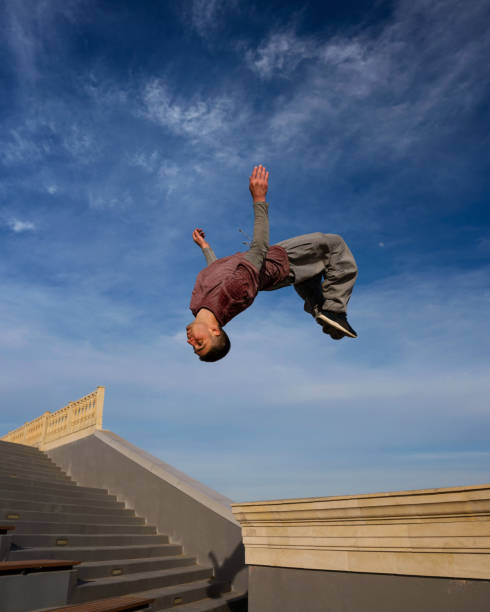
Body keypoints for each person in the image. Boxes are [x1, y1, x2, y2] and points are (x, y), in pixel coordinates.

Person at [187, 165, 358, 362]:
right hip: (283, 260)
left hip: (276, 273)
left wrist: (205, 247)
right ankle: (334, 311)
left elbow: (214, 272)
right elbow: (259, 248)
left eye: (195, 347)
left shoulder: (197, 305)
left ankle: (325, 316)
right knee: (334, 245)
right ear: (215, 331)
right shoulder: (234, 292)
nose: (191, 342)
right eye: (200, 344)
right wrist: (259, 199)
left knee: (310, 277)